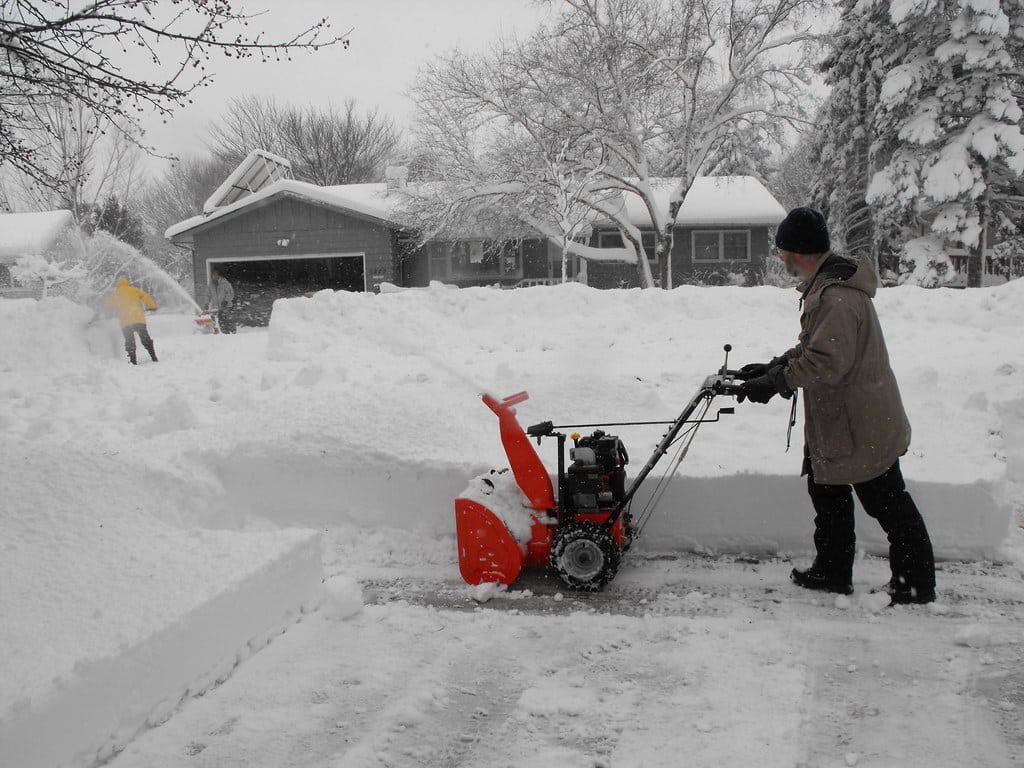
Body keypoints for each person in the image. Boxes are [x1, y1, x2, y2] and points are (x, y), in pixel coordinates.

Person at [737, 207, 936, 605]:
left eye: (783, 252)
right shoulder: (826, 286)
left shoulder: (838, 297)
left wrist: (777, 383)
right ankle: (832, 571)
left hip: (861, 424)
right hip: (842, 420)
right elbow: (816, 347)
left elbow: (826, 362)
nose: (781, 260)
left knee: (887, 502)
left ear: (800, 251)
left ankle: (914, 584)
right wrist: (774, 365)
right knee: (826, 491)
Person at [105, 277, 158, 365]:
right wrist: (152, 306)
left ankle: (133, 361)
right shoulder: (134, 290)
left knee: (130, 341)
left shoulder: (116, 294)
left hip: (125, 322)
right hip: (138, 319)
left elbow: (108, 306)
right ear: (127, 283)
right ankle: (154, 357)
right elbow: (146, 296)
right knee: (145, 339)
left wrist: (105, 314)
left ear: (118, 285)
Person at [207, 268, 236, 333]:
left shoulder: (225, 284)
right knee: (216, 319)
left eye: (215, 274)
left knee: (226, 319)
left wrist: (226, 300)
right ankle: (221, 332)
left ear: (219, 275)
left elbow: (230, 293)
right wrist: (206, 304)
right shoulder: (211, 285)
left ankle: (232, 331)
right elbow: (208, 295)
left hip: (226, 306)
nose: (214, 276)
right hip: (216, 307)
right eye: (213, 275)